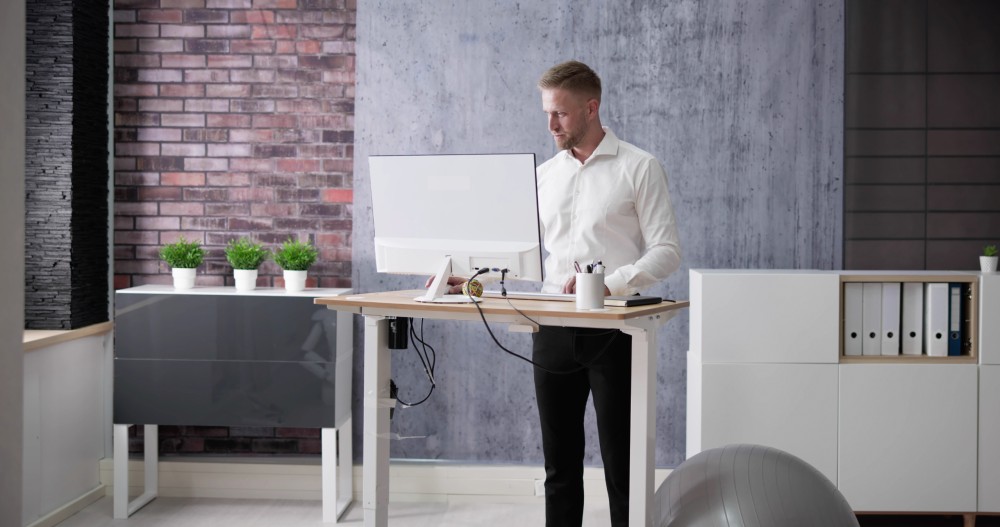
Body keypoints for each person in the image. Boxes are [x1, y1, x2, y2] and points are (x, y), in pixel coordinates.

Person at [532, 60, 681, 526]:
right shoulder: (544, 175)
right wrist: (473, 275)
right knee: (559, 469)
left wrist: (609, 283)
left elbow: (667, 252)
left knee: (623, 467)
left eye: (561, 113)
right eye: (547, 113)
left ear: (591, 108)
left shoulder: (639, 167)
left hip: (614, 331)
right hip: (551, 328)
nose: (551, 124)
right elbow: (523, 254)